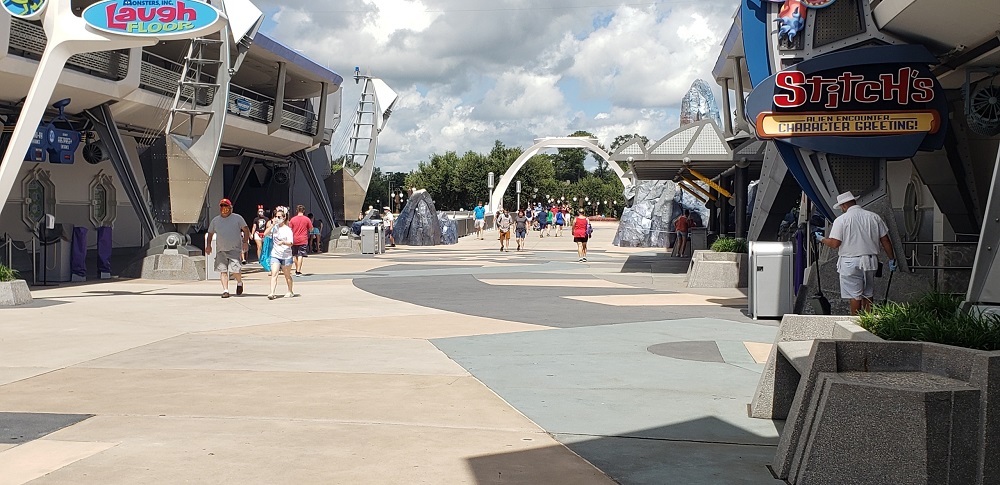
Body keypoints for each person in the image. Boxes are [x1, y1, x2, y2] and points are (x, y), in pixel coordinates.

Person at [817, 191, 897, 315]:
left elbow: (834, 244)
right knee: (868, 293)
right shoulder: (874, 217)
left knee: (855, 296)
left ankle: (855, 324)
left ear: (843, 206)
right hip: (870, 261)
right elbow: (885, 240)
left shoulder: (841, 220)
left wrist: (822, 239)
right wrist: (892, 259)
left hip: (850, 262)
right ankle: (868, 323)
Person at [206, 198, 250, 298]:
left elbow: (246, 229)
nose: (224, 208)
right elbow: (210, 234)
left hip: (234, 248)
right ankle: (225, 290)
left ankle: (239, 282)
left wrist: (245, 242)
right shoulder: (215, 220)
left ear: (231, 208)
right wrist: (208, 246)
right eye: (222, 206)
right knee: (223, 270)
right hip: (221, 249)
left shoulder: (237, 218)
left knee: (235, 269)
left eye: (226, 206)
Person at [264, 207, 296, 300]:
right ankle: (272, 292)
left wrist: (283, 242)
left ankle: (290, 291)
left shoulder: (287, 230)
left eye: (279, 217)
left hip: (286, 255)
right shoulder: (274, 228)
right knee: (274, 273)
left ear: (284, 217)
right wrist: (272, 225)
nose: (277, 218)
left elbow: (291, 243)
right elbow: (265, 233)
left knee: (287, 275)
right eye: (276, 216)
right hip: (275, 254)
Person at [288, 205, 313, 276]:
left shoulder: (293, 219)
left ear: (297, 210)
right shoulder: (307, 219)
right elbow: (311, 229)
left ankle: (297, 269)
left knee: (295, 254)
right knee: (300, 254)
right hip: (303, 239)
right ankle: (298, 271)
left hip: (294, 239)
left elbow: (289, 229)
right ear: (304, 211)